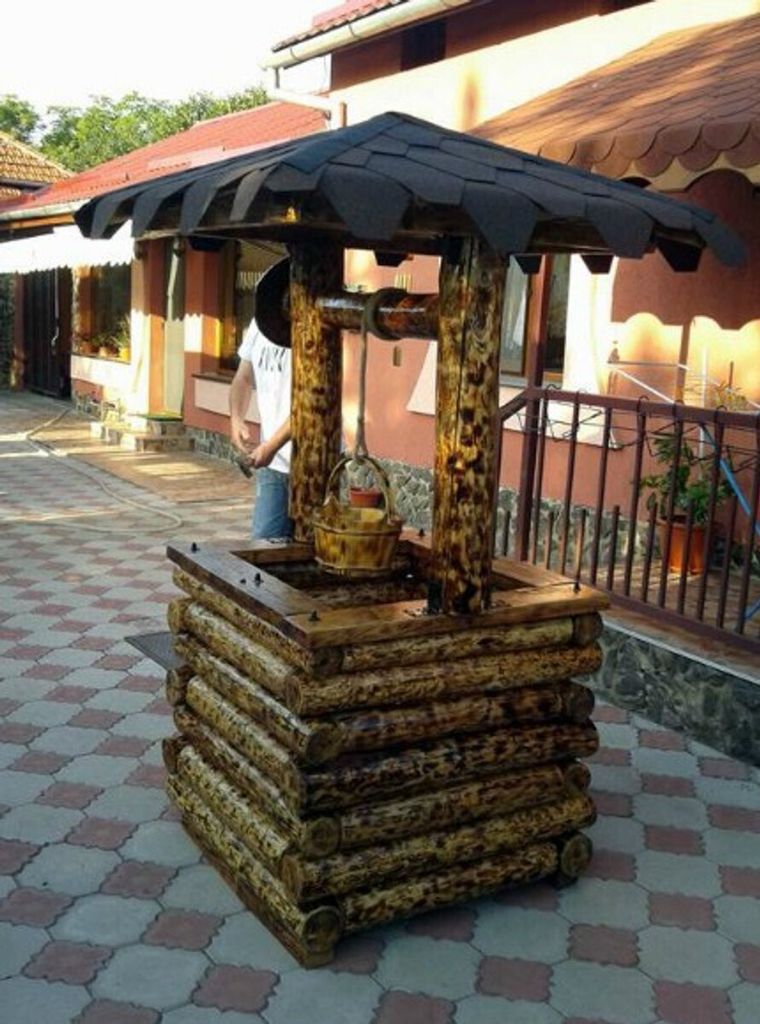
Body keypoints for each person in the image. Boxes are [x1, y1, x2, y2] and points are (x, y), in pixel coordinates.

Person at [229, 318, 292, 539]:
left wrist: (272, 446)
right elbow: (243, 377)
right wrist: (236, 418)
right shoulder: (260, 322)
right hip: (273, 462)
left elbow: (311, 402)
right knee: (265, 543)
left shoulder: (313, 321)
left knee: (311, 551)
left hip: (314, 462)